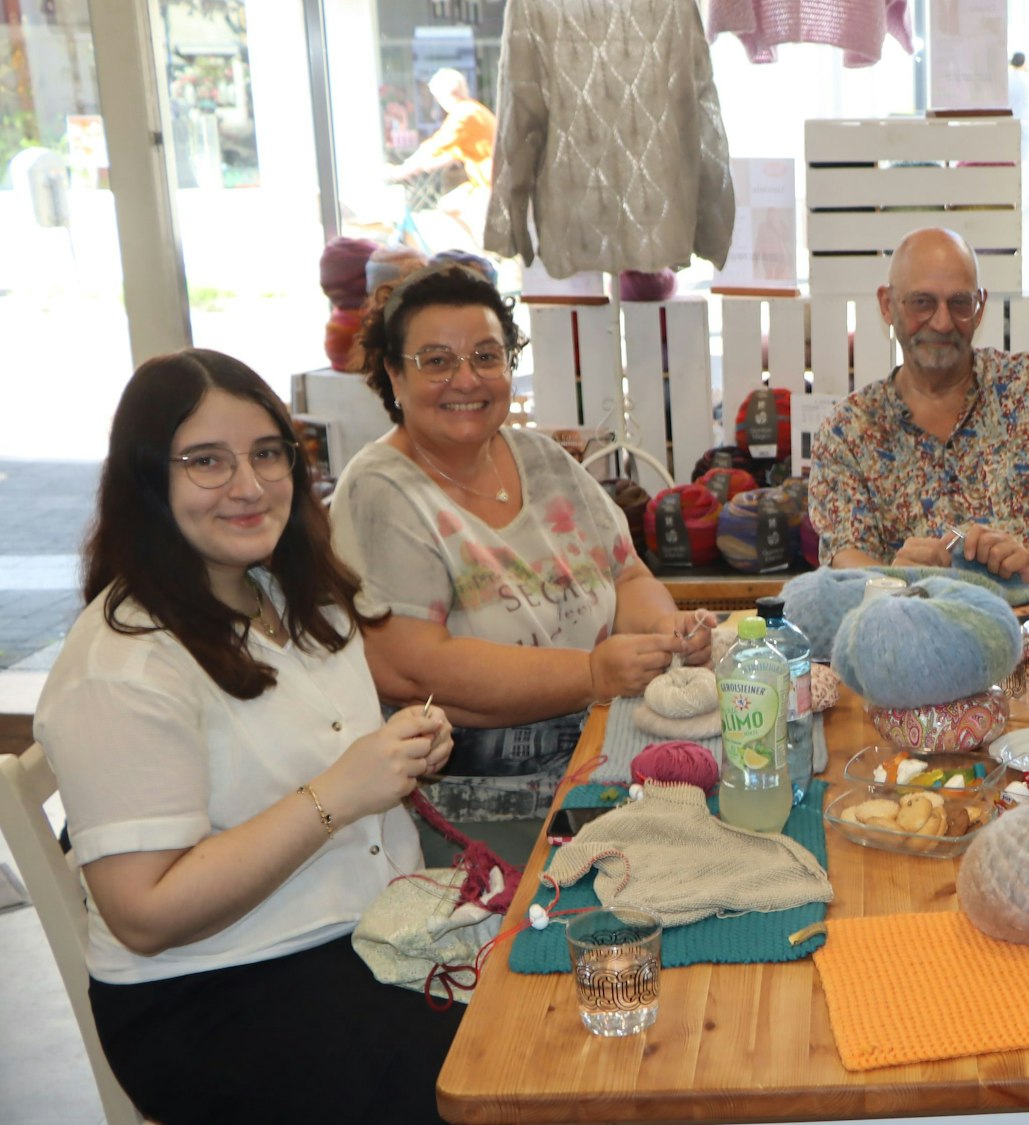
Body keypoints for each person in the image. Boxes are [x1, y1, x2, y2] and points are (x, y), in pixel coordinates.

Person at [35, 349, 459, 1123]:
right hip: (218, 997)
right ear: (145, 479)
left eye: (268, 453)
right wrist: (338, 793)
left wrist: (397, 758)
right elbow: (145, 911)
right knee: (502, 1083)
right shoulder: (122, 665)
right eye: (206, 461)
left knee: (561, 1013)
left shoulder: (291, 594)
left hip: (367, 937)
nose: (249, 484)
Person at [330, 263, 713, 861]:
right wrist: (591, 675)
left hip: (598, 762)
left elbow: (626, 573)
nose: (466, 378)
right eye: (436, 360)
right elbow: (411, 668)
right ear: (392, 375)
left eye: (487, 356)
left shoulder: (539, 458)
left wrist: (667, 633)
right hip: (472, 812)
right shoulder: (380, 492)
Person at [807, 228, 1029, 589]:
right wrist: (897, 581)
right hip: (911, 635)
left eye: (959, 303)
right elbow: (845, 555)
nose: (942, 322)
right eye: (922, 302)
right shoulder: (847, 431)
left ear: (979, 307)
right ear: (887, 305)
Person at [388, 68, 495, 244]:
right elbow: (456, 151)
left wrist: (402, 170)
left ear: (448, 94)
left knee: (471, 218)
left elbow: (436, 144)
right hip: (486, 181)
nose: (438, 102)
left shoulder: (464, 114)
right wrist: (431, 164)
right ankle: (483, 250)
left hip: (490, 184)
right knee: (448, 206)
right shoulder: (472, 110)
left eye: (438, 97)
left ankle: (489, 254)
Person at [1008, 51, 1029, 168]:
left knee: (1008, 153)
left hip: (1008, 120)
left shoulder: (1006, 78)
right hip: (1025, 121)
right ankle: (1018, 181)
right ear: (1024, 63)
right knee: (1022, 156)